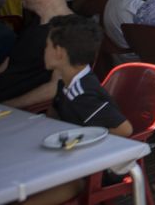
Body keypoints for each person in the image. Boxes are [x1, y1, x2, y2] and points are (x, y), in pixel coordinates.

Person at [24, 15, 133, 205]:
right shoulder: (66, 84)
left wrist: (79, 140)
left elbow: (125, 129)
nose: (44, 50)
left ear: (59, 53)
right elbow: (53, 117)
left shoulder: (83, 94)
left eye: (47, 45)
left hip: (97, 169)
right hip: (70, 160)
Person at [0, 0, 73, 107]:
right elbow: (10, 62)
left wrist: (7, 106)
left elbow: (56, 87)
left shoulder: (71, 31)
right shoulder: (38, 21)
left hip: (13, 110)